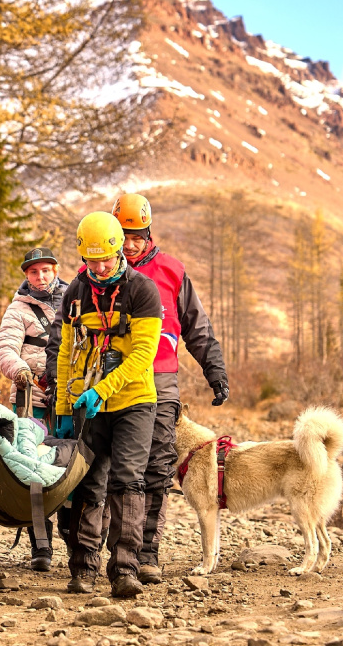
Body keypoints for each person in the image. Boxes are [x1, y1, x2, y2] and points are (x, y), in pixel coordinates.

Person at [111, 193, 228, 582]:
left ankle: (147, 552)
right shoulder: (98, 272)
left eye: (136, 235)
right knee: (113, 465)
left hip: (161, 378)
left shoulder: (172, 271)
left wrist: (216, 372)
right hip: (112, 379)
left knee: (157, 465)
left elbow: (197, 327)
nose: (129, 243)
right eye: (123, 235)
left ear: (148, 232)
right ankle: (113, 550)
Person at [55, 211, 162, 598]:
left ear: (119, 251)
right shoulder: (74, 293)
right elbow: (67, 351)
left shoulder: (143, 291)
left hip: (133, 401)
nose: (99, 268)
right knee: (87, 481)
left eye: (106, 259)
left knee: (127, 482)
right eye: (91, 260)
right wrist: (65, 409)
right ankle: (83, 568)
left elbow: (143, 355)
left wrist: (103, 389)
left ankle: (125, 570)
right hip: (87, 403)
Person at [0, 246, 68, 572]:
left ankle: (80, 541)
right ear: (26, 275)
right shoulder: (17, 310)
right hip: (31, 401)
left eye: (46, 270)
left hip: (70, 401)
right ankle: (41, 545)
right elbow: (6, 348)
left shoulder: (75, 301)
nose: (41, 277)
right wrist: (19, 368)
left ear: (56, 270)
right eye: (34, 271)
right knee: (33, 472)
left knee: (72, 469)